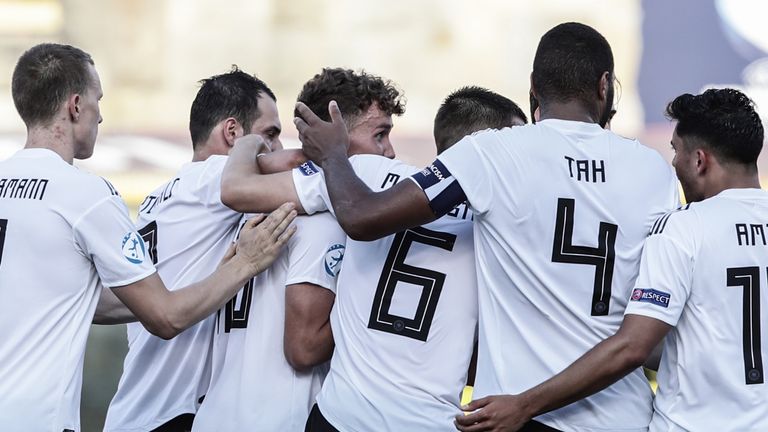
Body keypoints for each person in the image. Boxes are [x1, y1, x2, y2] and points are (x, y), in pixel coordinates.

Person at [294, 22, 680, 431]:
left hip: (520, 414)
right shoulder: (653, 171)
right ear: (605, 86)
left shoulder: (493, 152)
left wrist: (334, 155)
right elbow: (647, 332)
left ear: (533, 87)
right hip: (622, 417)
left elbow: (361, 216)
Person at [0, 43, 295, 432]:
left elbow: (91, 301)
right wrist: (245, 263)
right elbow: (165, 317)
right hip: (36, 421)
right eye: (97, 100)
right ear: (75, 106)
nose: (100, 115)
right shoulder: (84, 195)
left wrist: (203, 278)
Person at [455, 88, 767, 432]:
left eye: (675, 151)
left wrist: (523, 403)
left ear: (699, 160)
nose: (673, 163)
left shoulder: (683, 228)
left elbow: (634, 347)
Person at [221, 82, 527, 430]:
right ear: (480, 148)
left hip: (338, 416)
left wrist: (250, 146)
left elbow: (237, 188)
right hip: (426, 421)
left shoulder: (364, 173)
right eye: (515, 144)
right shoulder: (501, 219)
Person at [190, 67, 404, 431]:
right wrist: (368, 308)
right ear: (333, 136)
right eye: (379, 135)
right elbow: (303, 349)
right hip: (275, 419)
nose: (390, 150)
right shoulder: (324, 216)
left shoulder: (261, 200)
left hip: (216, 413)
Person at [104, 67, 285, 432]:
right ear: (232, 133)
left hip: (136, 409)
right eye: (270, 134)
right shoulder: (215, 177)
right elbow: (302, 174)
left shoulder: (160, 196)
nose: (277, 147)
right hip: (170, 413)